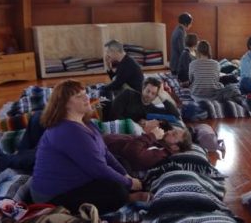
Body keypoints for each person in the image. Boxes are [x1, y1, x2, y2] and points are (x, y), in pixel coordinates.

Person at [31, 80, 146, 214]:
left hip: (80, 179)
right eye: (79, 96)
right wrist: (130, 183)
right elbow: (99, 169)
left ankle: (127, 190)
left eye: (85, 93)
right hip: (52, 196)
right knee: (117, 192)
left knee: (122, 162)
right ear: (65, 105)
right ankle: (127, 198)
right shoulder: (69, 132)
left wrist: (126, 176)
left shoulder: (87, 123)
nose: (87, 98)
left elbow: (106, 153)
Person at [103, 124, 192, 172]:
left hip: (103, 150)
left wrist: (151, 136)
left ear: (175, 147)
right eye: (172, 130)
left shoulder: (160, 154)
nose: (169, 131)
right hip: (104, 140)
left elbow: (131, 153)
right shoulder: (160, 143)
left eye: (174, 134)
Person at [107, 76, 181, 127]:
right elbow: (114, 115)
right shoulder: (128, 94)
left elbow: (176, 115)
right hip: (108, 121)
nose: (149, 95)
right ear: (143, 89)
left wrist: (162, 97)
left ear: (156, 96)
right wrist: (136, 125)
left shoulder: (152, 109)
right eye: (148, 91)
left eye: (153, 93)